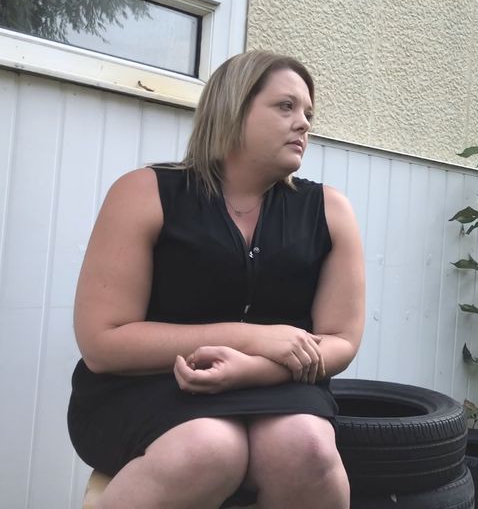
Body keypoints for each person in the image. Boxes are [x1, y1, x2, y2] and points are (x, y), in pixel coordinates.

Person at [67, 51, 364, 509]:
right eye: (285, 107)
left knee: (304, 445)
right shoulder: (145, 193)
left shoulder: (329, 210)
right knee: (209, 448)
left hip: (279, 385)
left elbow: (341, 338)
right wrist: (252, 338)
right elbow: (103, 344)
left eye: (308, 112)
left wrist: (259, 367)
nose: (304, 123)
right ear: (233, 108)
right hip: (152, 385)